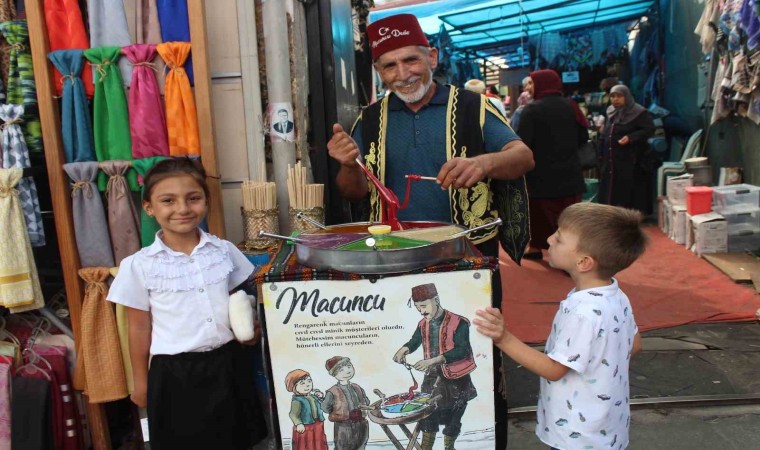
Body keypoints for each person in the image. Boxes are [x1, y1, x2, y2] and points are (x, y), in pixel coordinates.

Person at [327, 14, 533, 449]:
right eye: (389, 66)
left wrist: (484, 163)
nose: (402, 74)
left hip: (467, 253)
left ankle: (481, 433)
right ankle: (429, 434)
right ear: (379, 72)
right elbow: (353, 192)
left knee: (475, 344)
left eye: (411, 60)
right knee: (407, 336)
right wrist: (347, 164)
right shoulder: (371, 117)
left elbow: (522, 155)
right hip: (396, 253)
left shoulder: (474, 107)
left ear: (432, 56)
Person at [107, 158, 267, 450]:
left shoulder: (223, 251)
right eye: (168, 200)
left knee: (236, 441)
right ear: (149, 208)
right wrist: (140, 383)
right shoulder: (139, 266)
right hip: (174, 375)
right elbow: (138, 330)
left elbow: (238, 304)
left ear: (205, 201)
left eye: (193, 198)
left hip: (227, 365)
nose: (182, 209)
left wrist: (250, 330)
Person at [474, 202, 646, 450]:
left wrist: (503, 338)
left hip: (578, 432)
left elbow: (554, 369)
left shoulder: (583, 312)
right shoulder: (615, 294)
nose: (549, 239)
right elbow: (635, 344)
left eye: (560, 238)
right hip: (607, 426)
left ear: (584, 262)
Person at [393, 283, 477, 450]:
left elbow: (462, 350)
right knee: (427, 415)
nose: (422, 311)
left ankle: (449, 447)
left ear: (436, 300)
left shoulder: (459, 322)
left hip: (457, 378)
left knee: (454, 417)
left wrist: (431, 361)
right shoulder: (423, 324)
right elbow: (415, 341)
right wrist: (404, 349)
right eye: (418, 308)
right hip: (432, 379)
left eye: (424, 306)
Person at [517, 70, 588, 260]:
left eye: (532, 83)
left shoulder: (531, 110)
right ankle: (571, 256)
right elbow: (584, 137)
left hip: (540, 175)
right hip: (570, 173)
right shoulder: (571, 106)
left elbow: (522, 143)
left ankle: (535, 248)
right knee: (568, 219)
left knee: (540, 216)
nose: (529, 87)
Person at [599, 85, 656, 213]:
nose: (615, 99)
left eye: (619, 96)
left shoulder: (639, 112)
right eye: (612, 96)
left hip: (631, 158)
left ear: (627, 96)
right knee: (612, 187)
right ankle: (613, 214)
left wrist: (631, 137)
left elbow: (649, 129)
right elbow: (606, 132)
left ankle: (630, 216)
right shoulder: (610, 111)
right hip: (612, 159)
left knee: (629, 189)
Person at [321, 356, 370, 450]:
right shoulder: (332, 391)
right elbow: (325, 407)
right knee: (343, 447)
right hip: (343, 426)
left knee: (361, 446)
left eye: (348, 366)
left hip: (361, 424)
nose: (347, 371)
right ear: (334, 374)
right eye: (341, 370)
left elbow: (366, 401)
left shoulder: (357, 387)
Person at [285, 369, 329, 450]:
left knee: (319, 443)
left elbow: (322, 405)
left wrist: (321, 397)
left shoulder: (313, 396)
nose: (307, 385)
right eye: (302, 383)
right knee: (306, 445)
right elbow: (293, 414)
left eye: (309, 381)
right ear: (294, 387)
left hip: (317, 424)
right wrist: (298, 424)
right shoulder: (297, 400)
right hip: (305, 426)